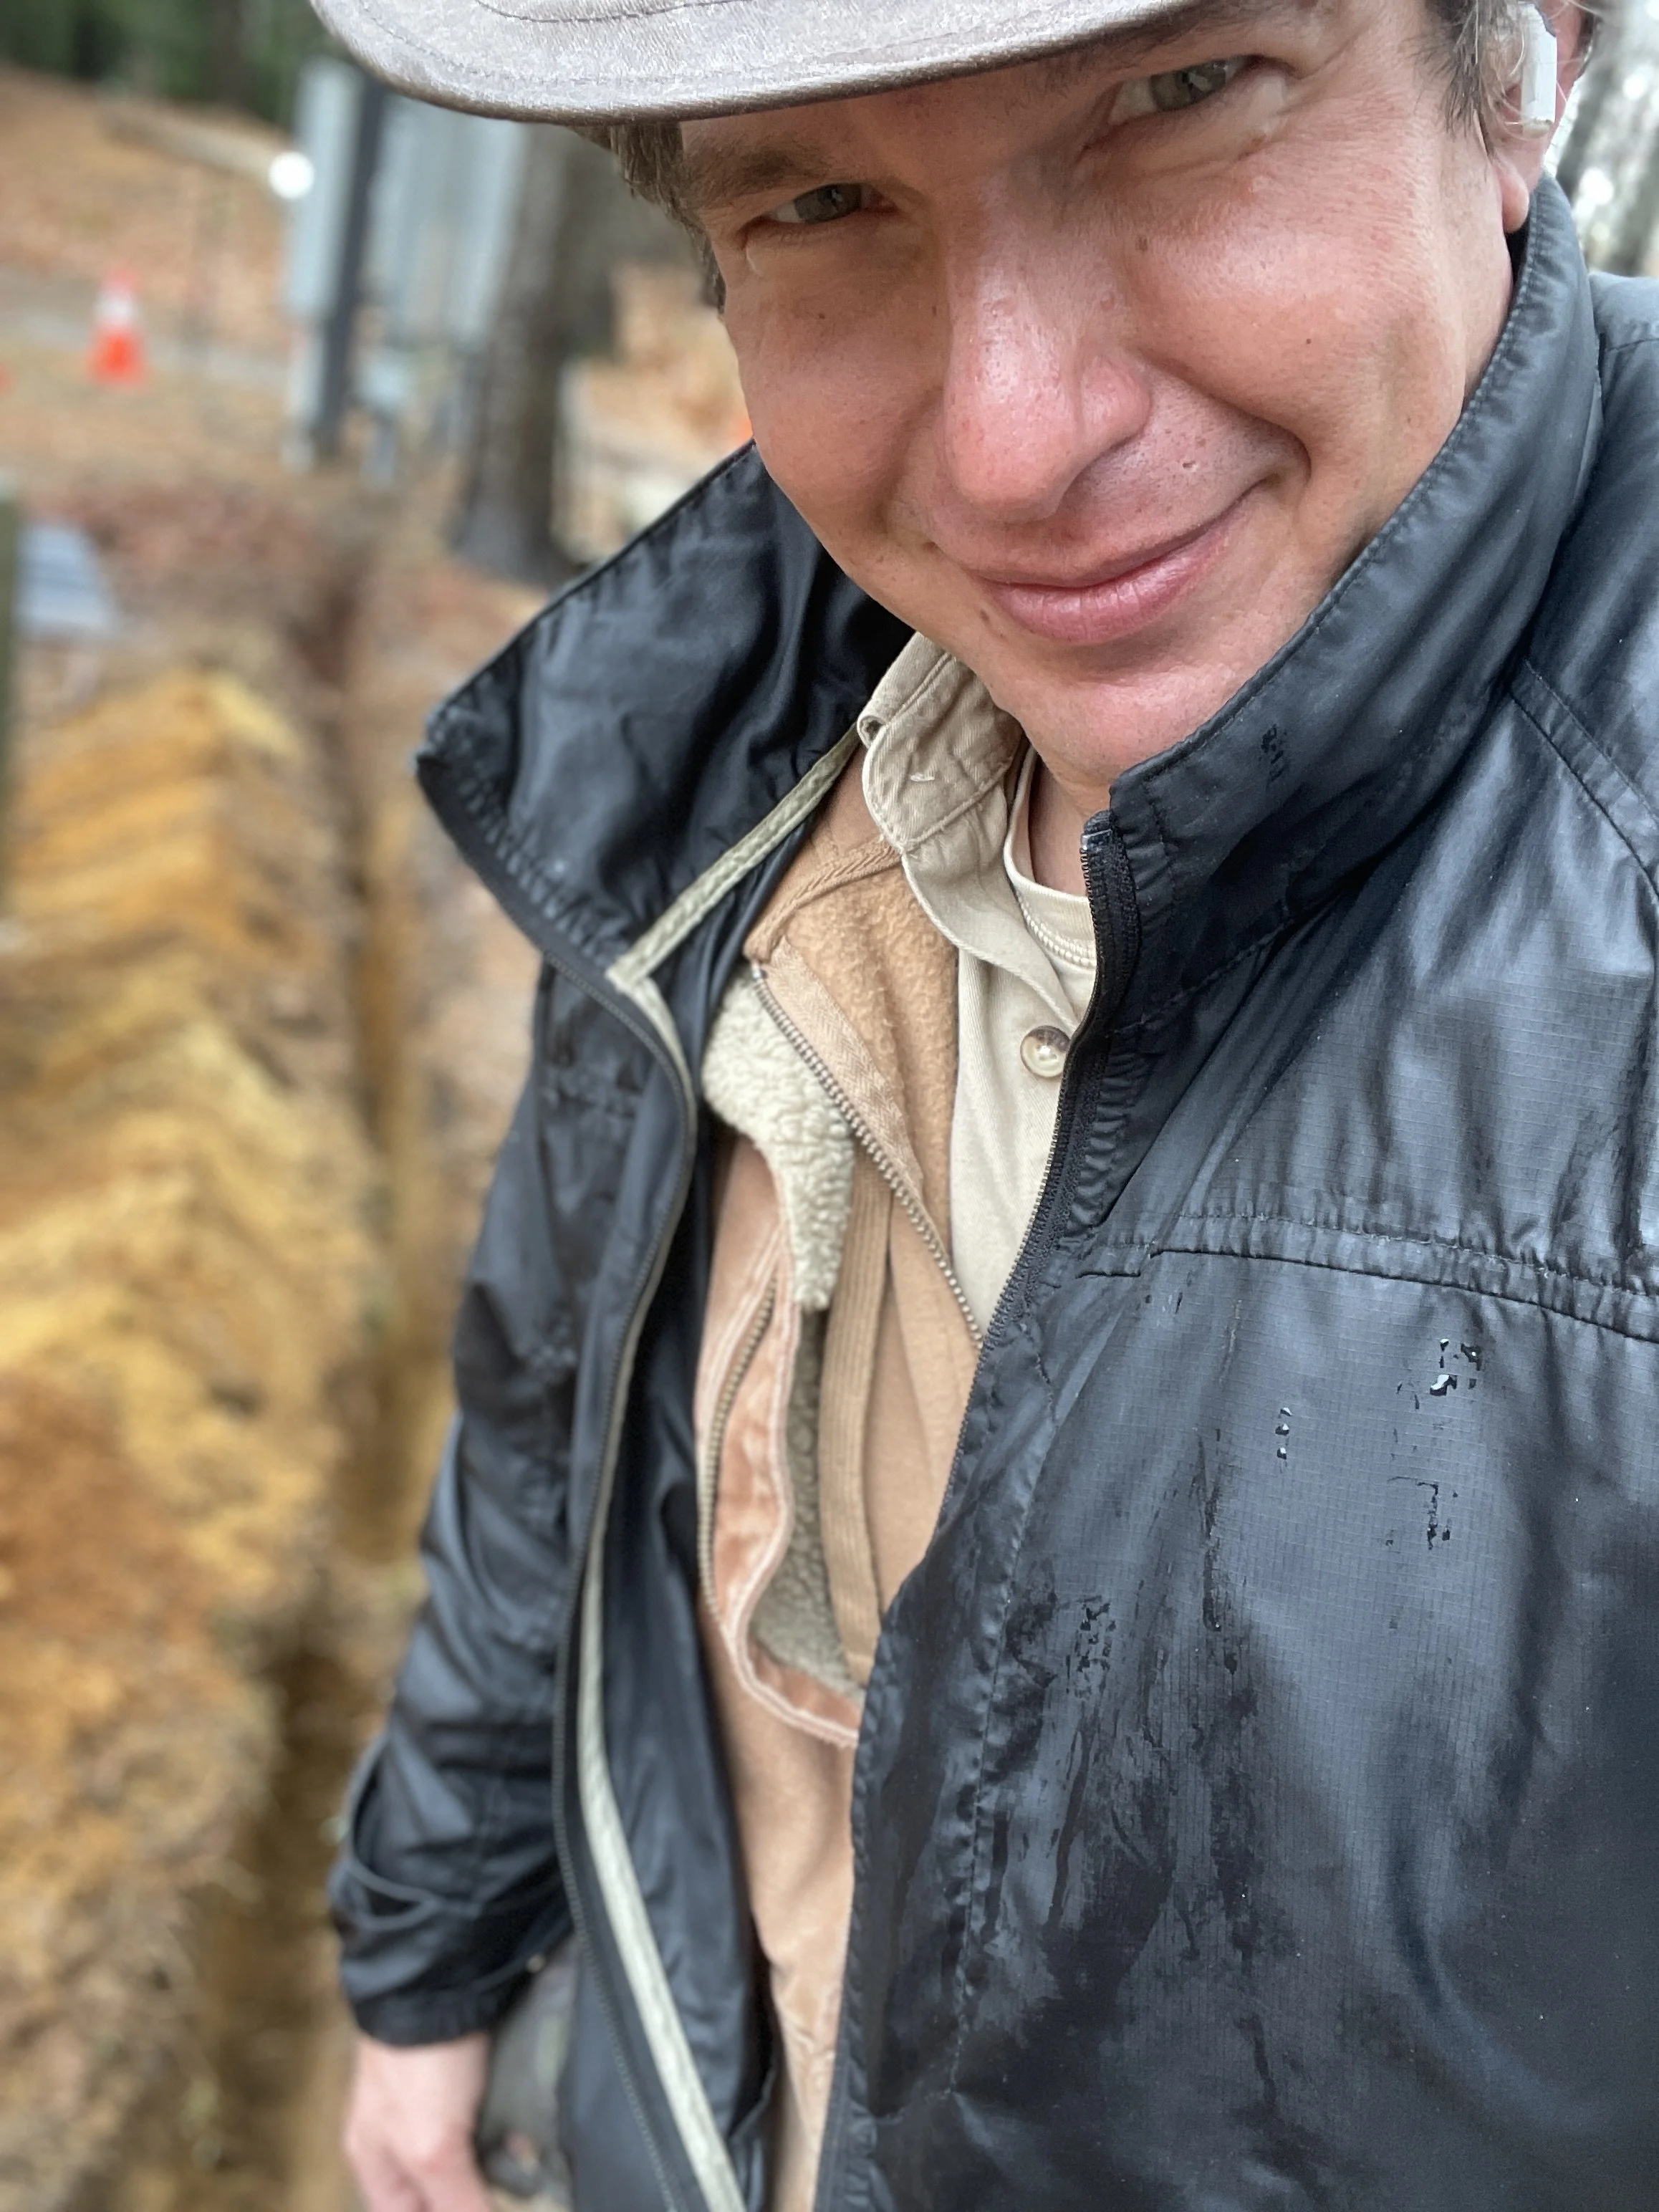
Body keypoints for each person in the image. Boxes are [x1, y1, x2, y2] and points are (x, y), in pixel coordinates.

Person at [317, 0, 1659, 2202]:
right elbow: (558, 1400)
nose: (1017, 440)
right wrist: (430, 1957)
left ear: (1525, 65)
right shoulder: (743, 754)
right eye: (823, 200)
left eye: (1175, 100)